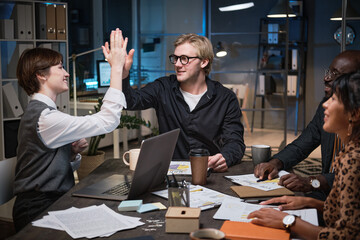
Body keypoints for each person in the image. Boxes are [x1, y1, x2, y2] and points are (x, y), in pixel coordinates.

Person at [13, 28, 128, 232]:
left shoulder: (42, 113)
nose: (66, 73)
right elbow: (108, 120)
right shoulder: (46, 118)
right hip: (36, 208)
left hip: (49, 200)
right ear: (41, 75)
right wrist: (116, 68)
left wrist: (71, 153)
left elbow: (45, 167)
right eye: (60, 67)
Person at [248, 71, 360, 239]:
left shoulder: (353, 160)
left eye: (334, 99)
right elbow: (302, 144)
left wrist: (288, 221)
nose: (325, 104)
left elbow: (346, 236)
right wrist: (308, 202)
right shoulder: (349, 150)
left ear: (355, 112)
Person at [121, 33, 245, 172]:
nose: (178, 64)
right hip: (169, 175)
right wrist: (123, 74)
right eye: (175, 58)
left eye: (185, 59)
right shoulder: (162, 88)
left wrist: (225, 157)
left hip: (209, 174)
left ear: (204, 62)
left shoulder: (225, 98)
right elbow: (130, 102)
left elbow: (235, 143)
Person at [254, 50, 360, 200]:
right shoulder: (325, 106)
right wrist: (275, 163)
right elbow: (302, 144)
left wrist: (312, 182)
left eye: (336, 75)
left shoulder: (354, 156)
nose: (326, 78)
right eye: (329, 71)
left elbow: (350, 177)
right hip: (325, 195)